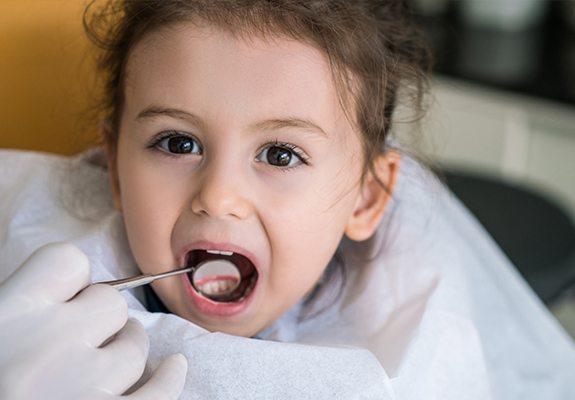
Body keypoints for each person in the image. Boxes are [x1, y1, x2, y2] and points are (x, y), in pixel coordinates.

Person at [1, 0, 574, 399]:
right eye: (178, 142)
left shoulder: (421, 342)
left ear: (366, 198)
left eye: (280, 155)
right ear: (117, 170)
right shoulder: (25, 292)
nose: (220, 197)